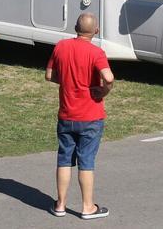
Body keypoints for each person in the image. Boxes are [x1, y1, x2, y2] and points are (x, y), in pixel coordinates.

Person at [45, 12, 114, 220]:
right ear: (96, 31)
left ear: (75, 27)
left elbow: (49, 75)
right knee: (86, 162)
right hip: (91, 116)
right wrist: (104, 90)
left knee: (64, 159)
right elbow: (108, 77)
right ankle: (87, 207)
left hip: (67, 114)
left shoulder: (61, 47)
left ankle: (61, 204)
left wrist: (66, 81)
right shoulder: (97, 53)